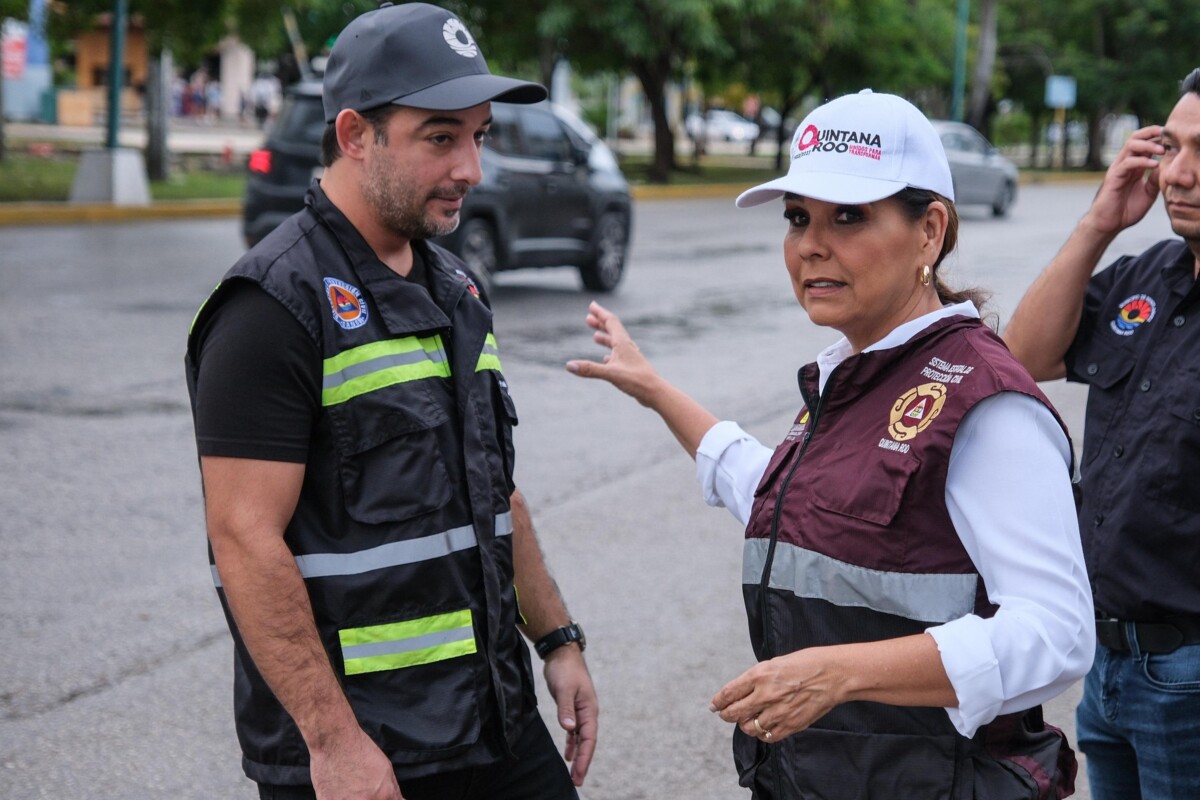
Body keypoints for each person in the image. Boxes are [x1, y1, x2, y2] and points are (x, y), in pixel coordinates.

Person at [567, 89, 1093, 799]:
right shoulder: (855, 369)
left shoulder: (984, 403)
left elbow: (1058, 634)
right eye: (798, 218)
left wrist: (841, 672)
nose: (812, 244)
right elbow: (788, 501)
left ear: (930, 232)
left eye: (849, 216)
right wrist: (657, 390)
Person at [184, 5, 596, 799]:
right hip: (367, 751)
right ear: (354, 135)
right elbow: (243, 538)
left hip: (494, 724)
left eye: (479, 136)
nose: (470, 168)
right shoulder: (271, 308)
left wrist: (557, 640)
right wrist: (334, 742)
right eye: (440, 138)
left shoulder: (458, 288)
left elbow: (494, 491)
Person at [1002, 69, 1200, 800]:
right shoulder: (1146, 274)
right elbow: (1023, 357)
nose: (1178, 174)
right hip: (1108, 666)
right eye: (1170, 147)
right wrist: (1098, 224)